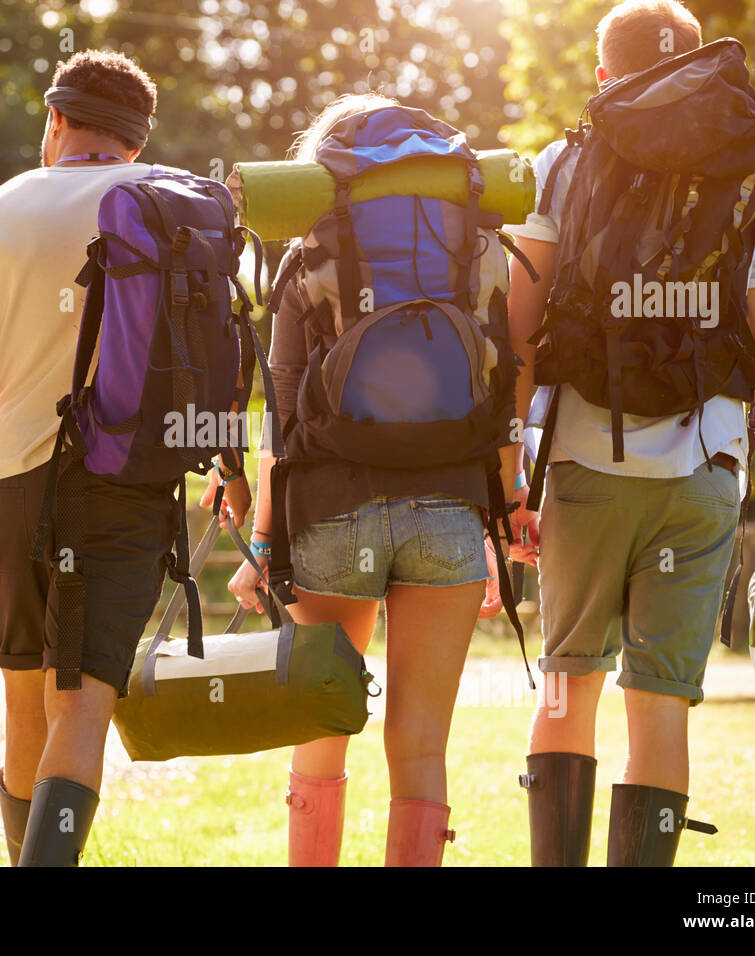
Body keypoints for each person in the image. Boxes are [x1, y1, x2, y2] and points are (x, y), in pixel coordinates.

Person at [510, 0, 755, 866]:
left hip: (583, 462)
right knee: (658, 703)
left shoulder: (560, 164)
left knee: (568, 687)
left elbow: (518, 339)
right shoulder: (751, 178)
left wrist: (508, 473)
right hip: (702, 470)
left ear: (603, 74)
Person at [227, 92, 538, 867]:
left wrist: (263, 540)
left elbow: (283, 421)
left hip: (334, 512)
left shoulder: (308, 258)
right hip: (450, 518)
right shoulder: (479, 252)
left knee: (321, 730)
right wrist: (501, 524)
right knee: (421, 745)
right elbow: (504, 403)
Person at [0, 50, 201, 866]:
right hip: (129, 480)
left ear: (55, 123)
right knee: (80, 706)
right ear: (137, 138)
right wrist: (228, 468)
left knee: (23, 699)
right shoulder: (172, 202)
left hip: (12, 480)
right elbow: (213, 351)